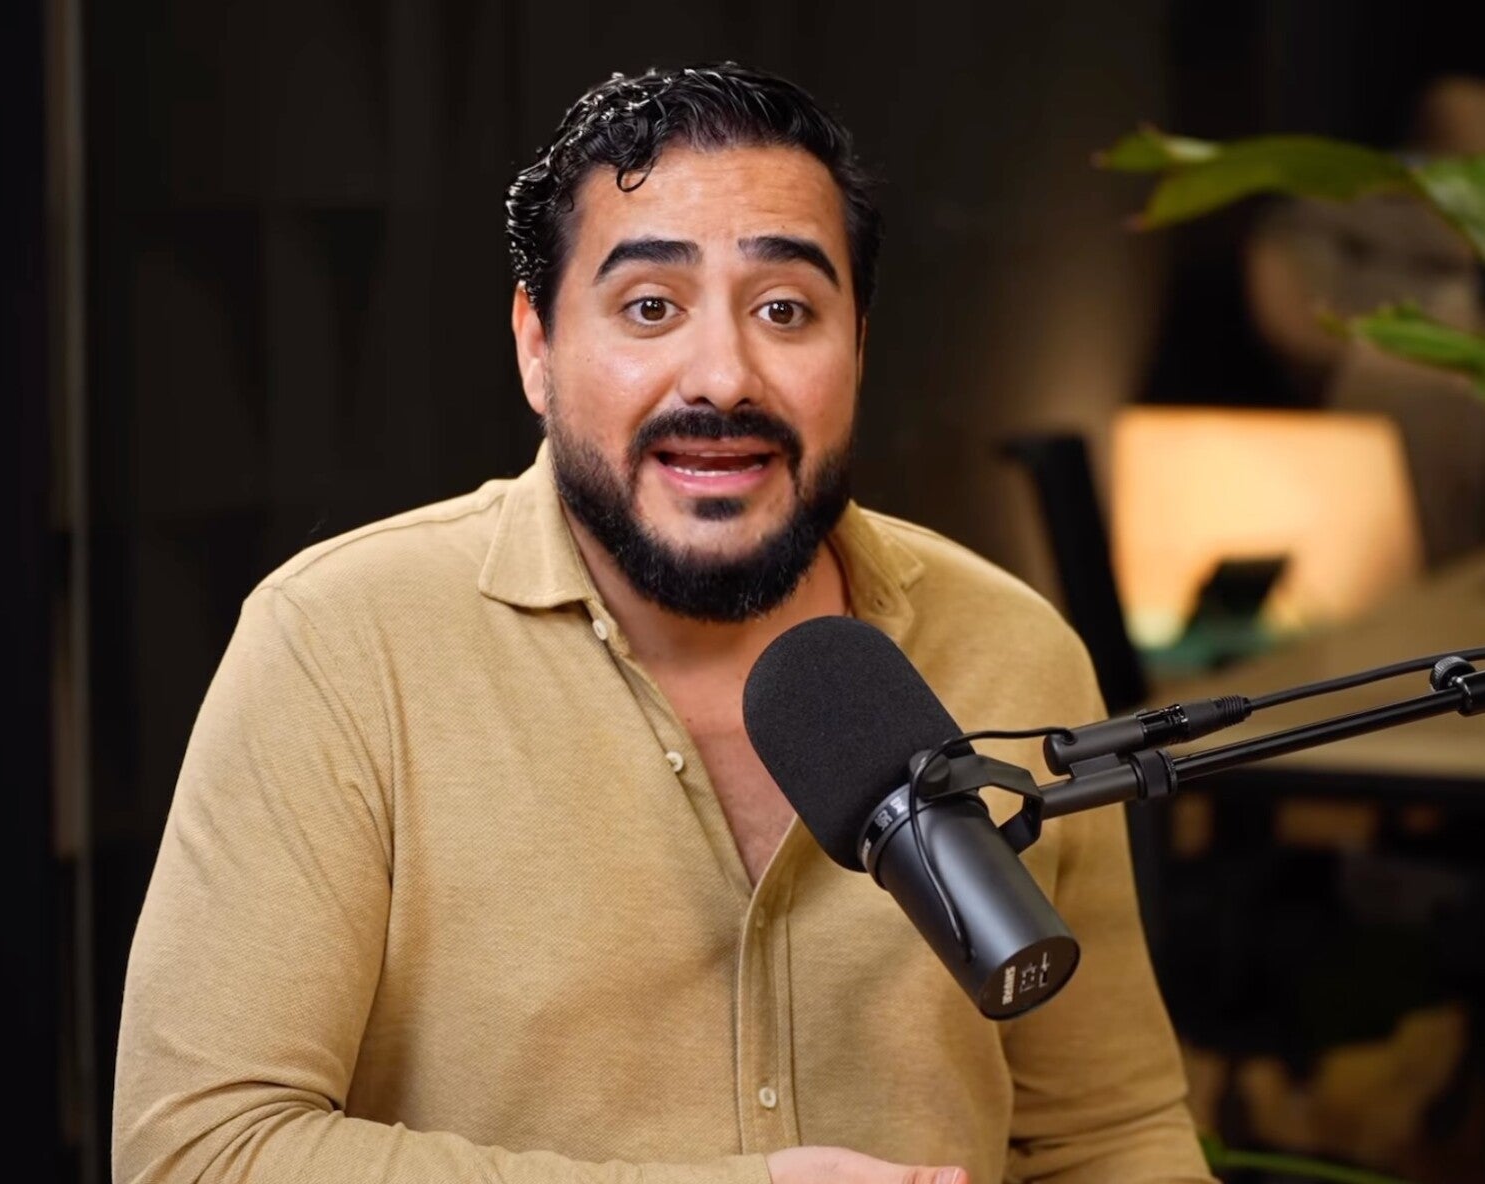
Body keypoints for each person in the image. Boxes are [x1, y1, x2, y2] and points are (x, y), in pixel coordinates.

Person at [113, 63, 1211, 1184]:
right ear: (537, 344)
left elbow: (1107, 1138)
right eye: (650, 308)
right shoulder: (339, 645)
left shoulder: (1013, 645)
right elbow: (199, 1155)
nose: (724, 376)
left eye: (785, 310)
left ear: (859, 345)